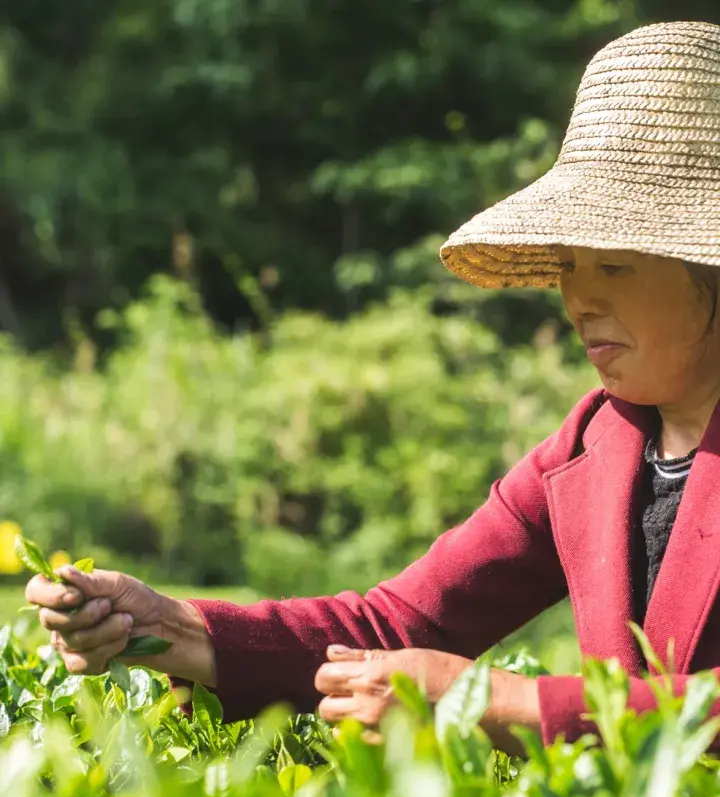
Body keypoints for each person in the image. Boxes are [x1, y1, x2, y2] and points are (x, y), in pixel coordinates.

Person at [24, 20, 720, 755]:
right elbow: (400, 626)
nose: (578, 301)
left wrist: (507, 704)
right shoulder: (595, 443)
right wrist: (173, 629)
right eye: (569, 267)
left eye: (613, 267)